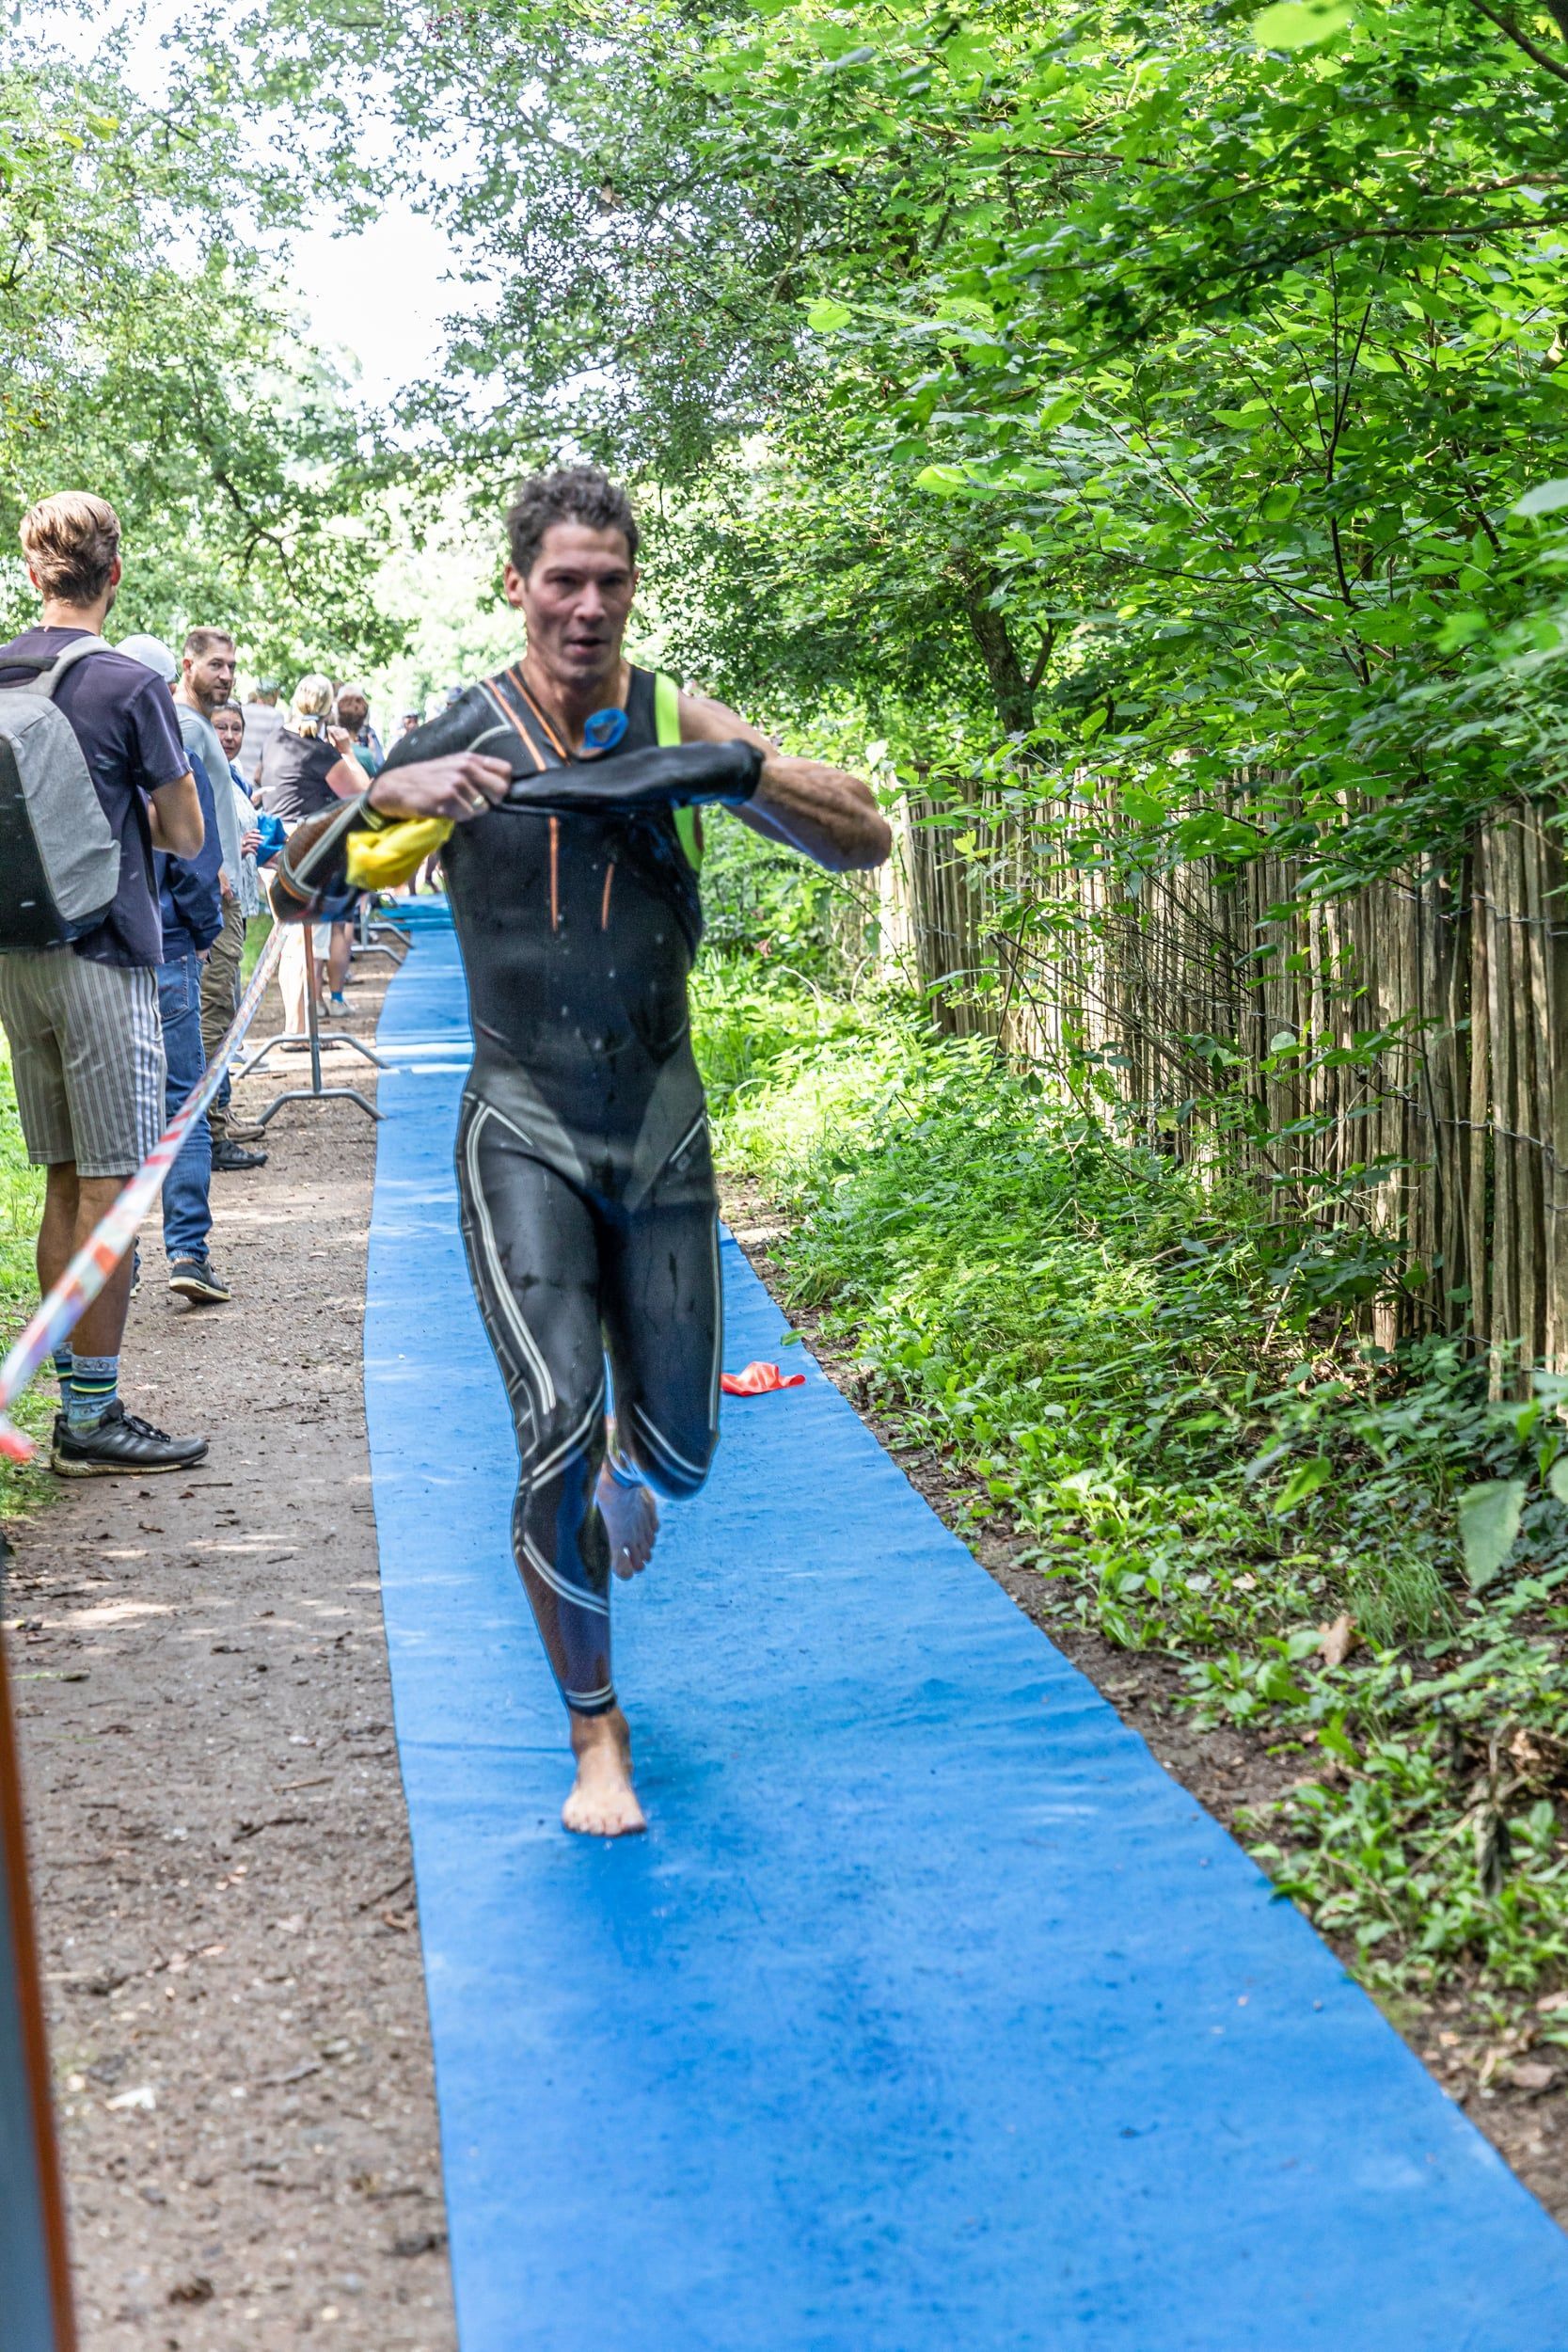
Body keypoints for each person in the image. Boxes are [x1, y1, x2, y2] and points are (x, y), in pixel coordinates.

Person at [270, 465, 889, 1834]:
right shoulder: (461, 734)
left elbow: (865, 837)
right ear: (518, 587)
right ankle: (593, 1736)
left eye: (610, 580)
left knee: (676, 1459)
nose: (589, 605)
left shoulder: (672, 710)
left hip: (658, 1124)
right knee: (547, 1437)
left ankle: (625, 1452)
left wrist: (734, 772)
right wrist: (385, 798)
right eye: (564, 579)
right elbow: (291, 887)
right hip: (521, 1129)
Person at [0, 493, 209, 1475]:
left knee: (61, 1174)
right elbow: (183, 835)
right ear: (112, 576)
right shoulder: (130, 683)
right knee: (113, 1183)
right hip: (106, 954)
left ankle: (74, 1398)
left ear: (31, 573)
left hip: (16, 954)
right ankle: (92, 1413)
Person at [118, 638, 232, 1303]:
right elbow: (196, 868)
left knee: (120, 1115)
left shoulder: (97, 761)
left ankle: (122, 1262)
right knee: (182, 1103)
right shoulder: (173, 763)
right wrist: (205, 937)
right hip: (170, 949)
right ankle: (187, 1248)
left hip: (113, 952)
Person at [257, 675, 364, 1036]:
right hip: (306, 850)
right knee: (305, 942)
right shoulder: (319, 751)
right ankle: (300, 1030)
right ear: (327, 707)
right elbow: (363, 795)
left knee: (293, 940)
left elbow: (262, 779)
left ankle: (301, 1024)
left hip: (274, 848)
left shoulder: (275, 741)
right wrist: (347, 752)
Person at [207, 700, 269, 1170]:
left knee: (226, 1010)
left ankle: (221, 1111)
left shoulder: (231, 772)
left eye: (235, 728)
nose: (229, 735)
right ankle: (209, 1131)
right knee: (215, 1014)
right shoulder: (206, 771)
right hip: (217, 907)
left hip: (238, 907)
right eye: (221, 727)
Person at [239, 677, 283, 787]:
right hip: (258, 784)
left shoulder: (241, 711)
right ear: (274, 695)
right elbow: (276, 753)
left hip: (237, 779)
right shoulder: (276, 716)